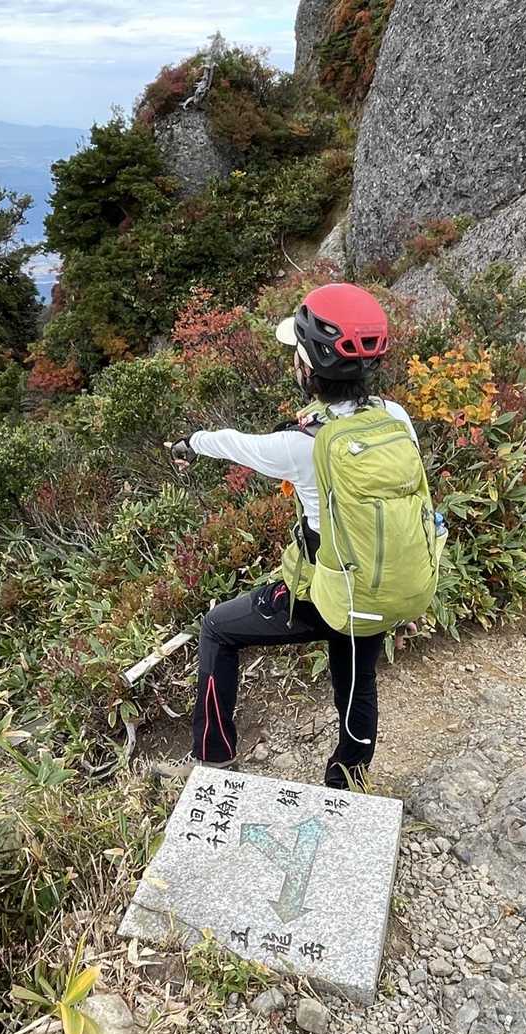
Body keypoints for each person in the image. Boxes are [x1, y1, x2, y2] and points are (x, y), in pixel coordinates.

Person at [159, 283, 426, 791]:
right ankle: (348, 782)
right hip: (377, 588)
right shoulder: (395, 418)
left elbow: (233, 444)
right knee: (356, 680)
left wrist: (189, 443)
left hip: (321, 594)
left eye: (297, 354)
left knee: (217, 629)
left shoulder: (300, 444)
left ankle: (213, 760)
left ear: (309, 366)